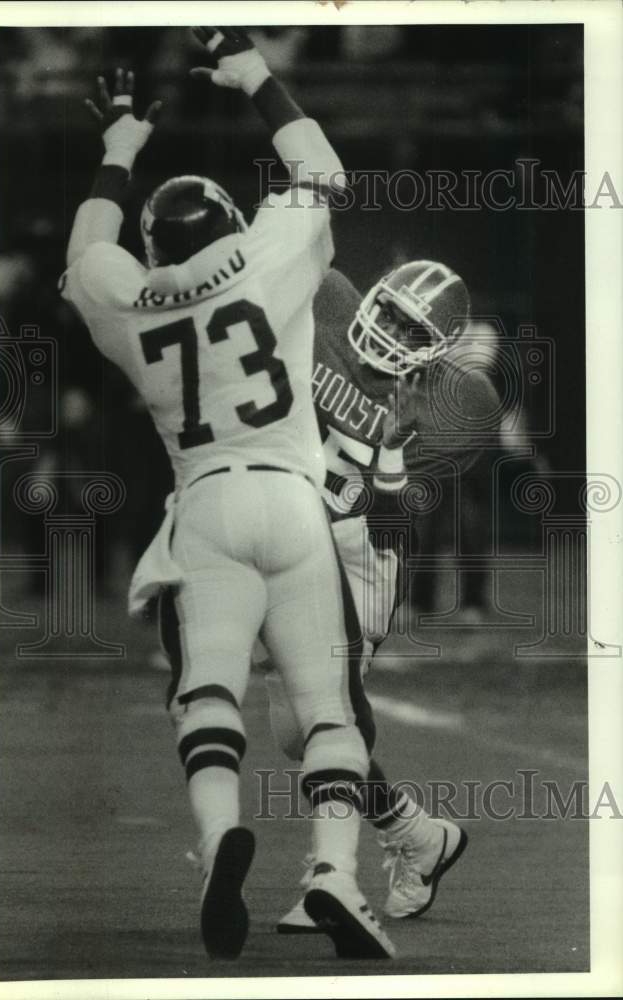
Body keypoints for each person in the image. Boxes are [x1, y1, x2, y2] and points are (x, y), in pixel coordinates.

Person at [59, 30, 394, 961]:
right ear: (231, 222)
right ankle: (334, 875)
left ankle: (217, 844)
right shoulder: (268, 252)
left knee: (205, 693)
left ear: (152, 245)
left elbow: (87, 248)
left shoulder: (123, 294)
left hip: (203, 506)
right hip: (292, 501)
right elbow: (320, 173)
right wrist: (254, 77)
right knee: (327, 712)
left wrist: (119, 146)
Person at [264, 263, 500, 931]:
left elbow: (397, 522)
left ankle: (330, 874)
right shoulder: (327, 303)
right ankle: (419, 835)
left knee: (324, 717)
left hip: (361, 553)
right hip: (288, 533)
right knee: (295, 733)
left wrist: (390, 460)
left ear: (439, 346)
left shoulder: (455, 403)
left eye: (411, 328)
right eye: (389, 312)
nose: (390, 331)